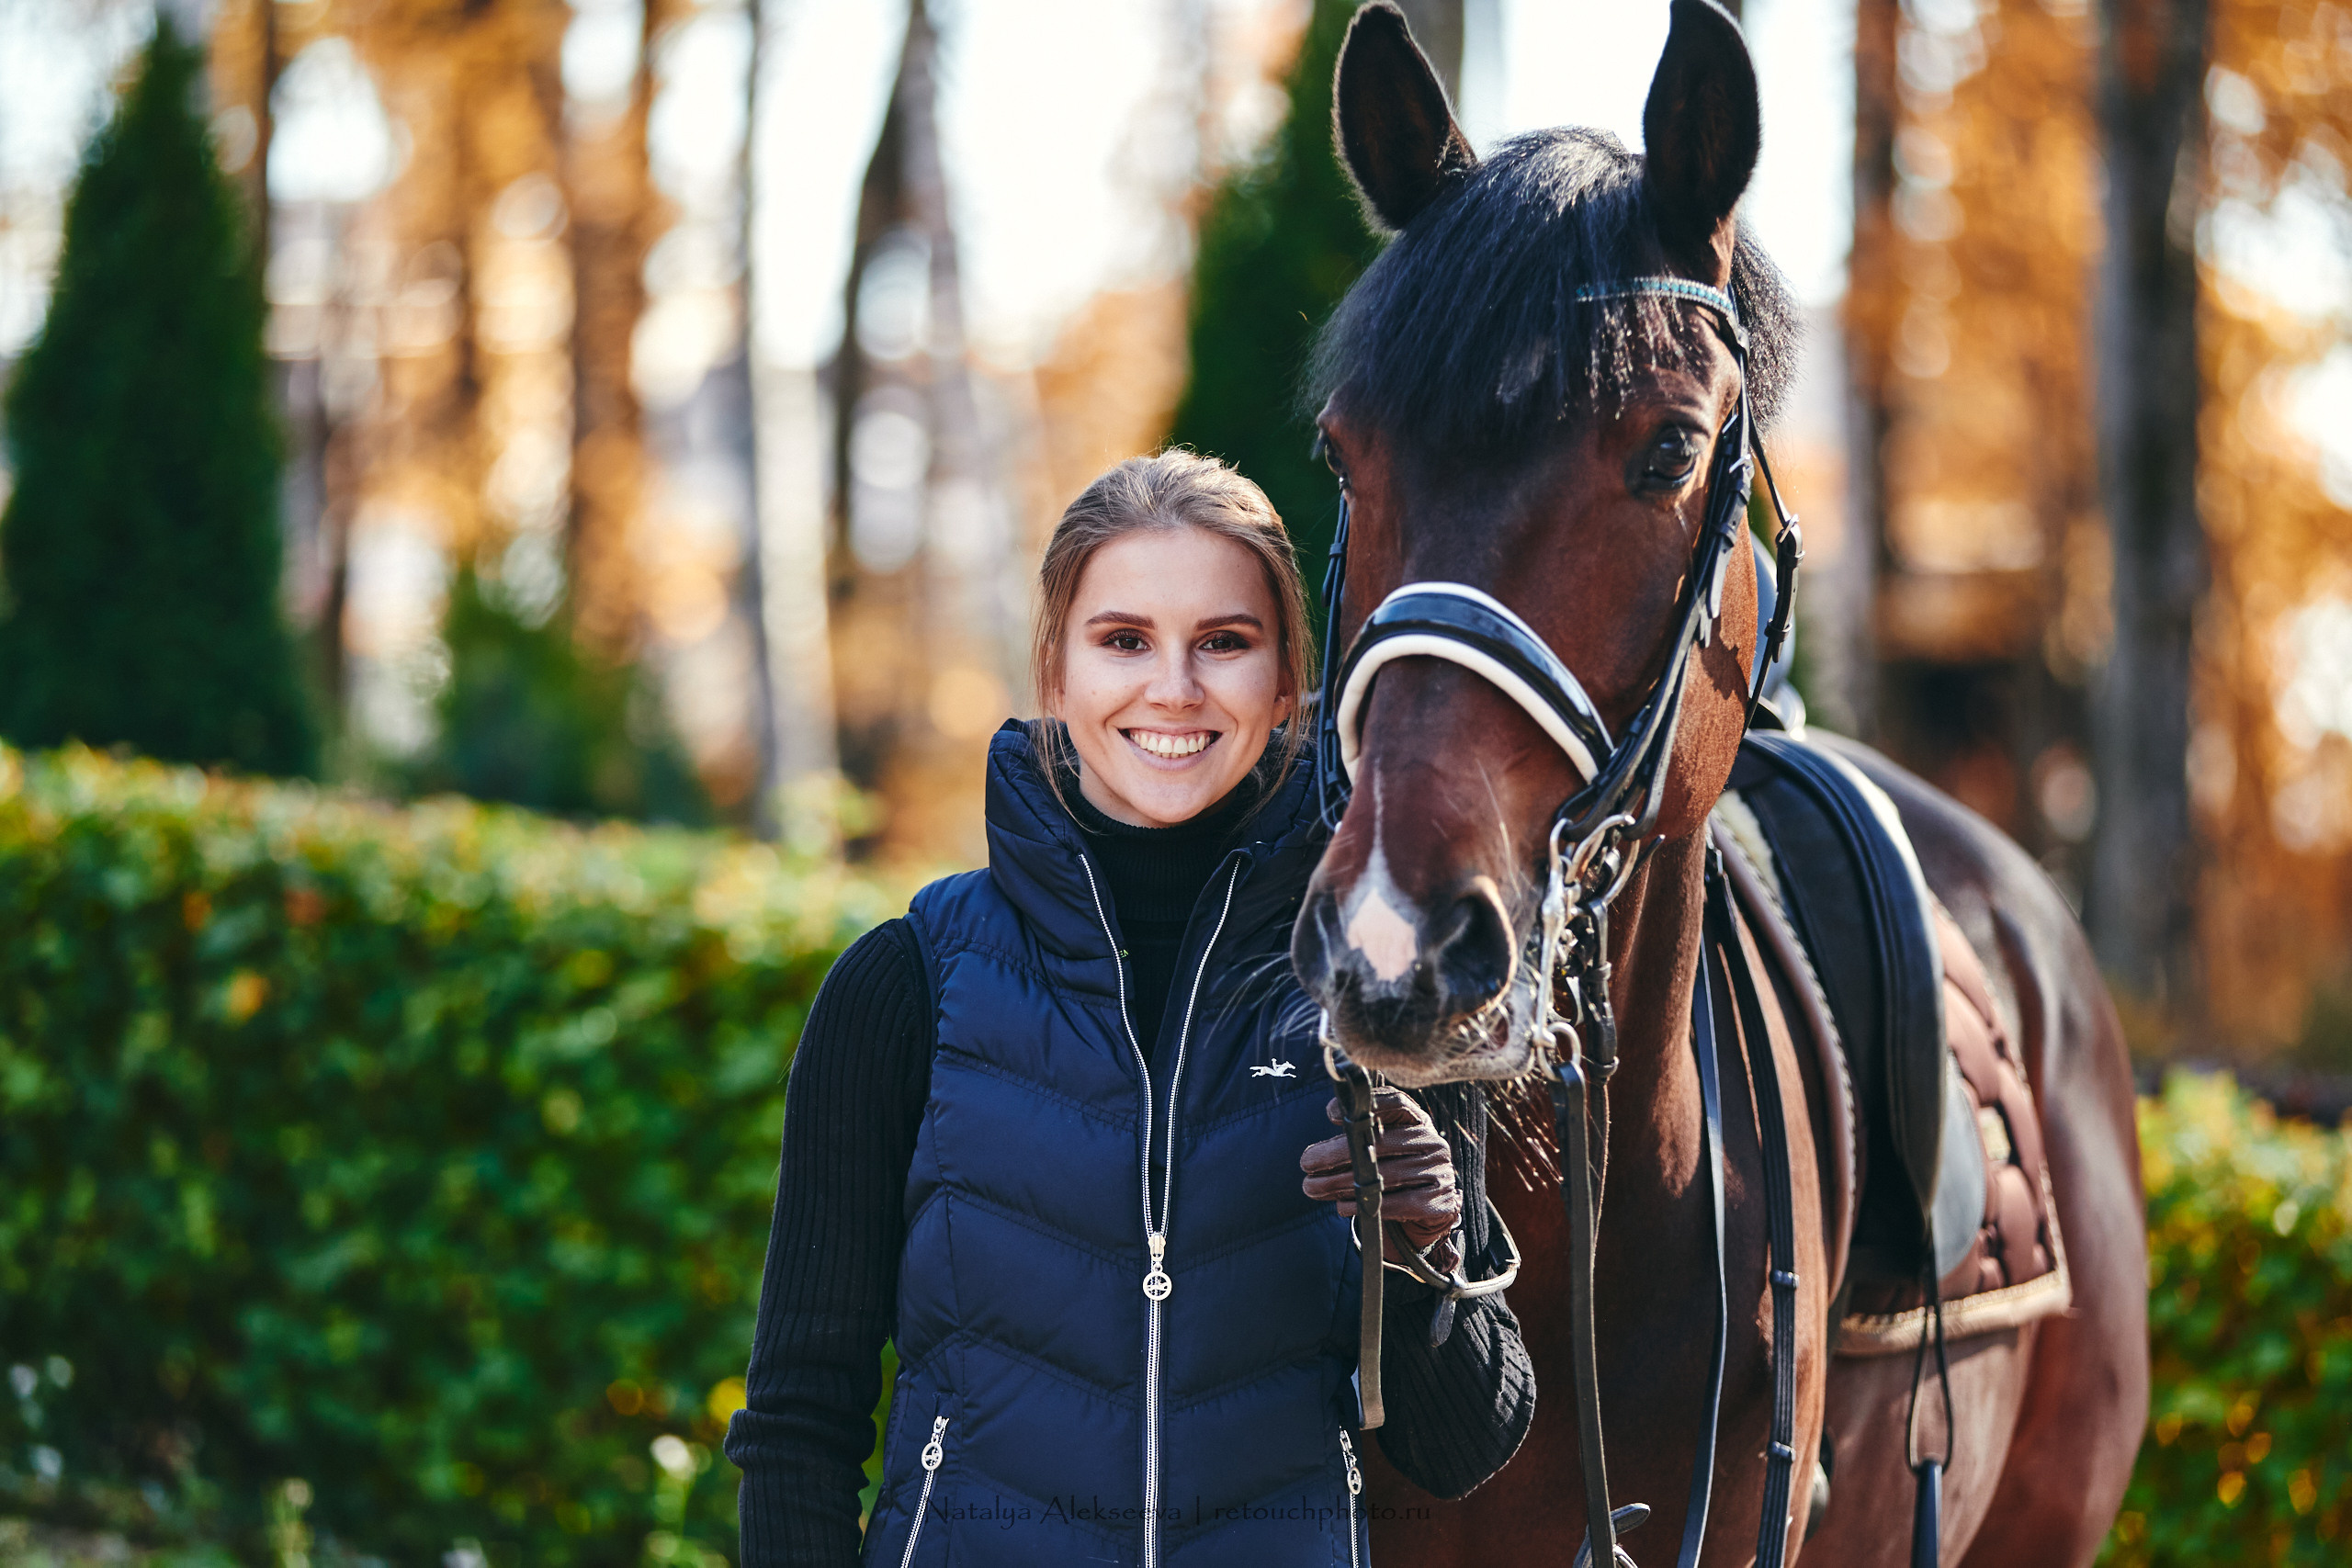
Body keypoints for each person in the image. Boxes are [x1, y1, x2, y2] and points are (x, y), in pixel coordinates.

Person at [724, 451, 1533, 1568]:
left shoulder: (1383, 987)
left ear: (1291, 675)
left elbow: (1463, 1446)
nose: (1174, 690)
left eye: (1224, 642)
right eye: (1123, 641)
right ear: (1054, 671)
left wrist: (1429, 1248)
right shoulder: (905, 986)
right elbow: (797, 1425)